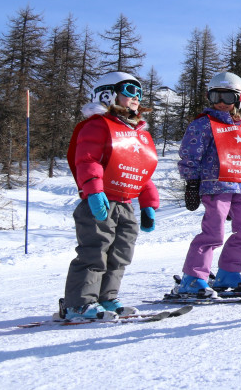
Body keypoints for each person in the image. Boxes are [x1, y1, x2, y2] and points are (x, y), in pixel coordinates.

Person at [62, 71, 159, 319]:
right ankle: (79, 303)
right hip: (100, 201)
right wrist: (94, 191)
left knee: (120, 254)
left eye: (139, 92)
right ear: (107, 94)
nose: (136, 97)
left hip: (125, 203)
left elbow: (141, 169)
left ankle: (106, 298)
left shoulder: (137, 132)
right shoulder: (98, 125)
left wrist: (148, 203)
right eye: (129, 90)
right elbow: (87, 160)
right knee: (94, 251)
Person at [174, 72, 241, 297]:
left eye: (227, 97)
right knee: (214, 233)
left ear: (239, 100)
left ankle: (228, 272)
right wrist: (192, 183)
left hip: (240, 187)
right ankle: (192, 278)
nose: (221, 102)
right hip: (214, 186)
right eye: (215, 96)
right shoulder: (203, 124)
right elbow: (190, 154)